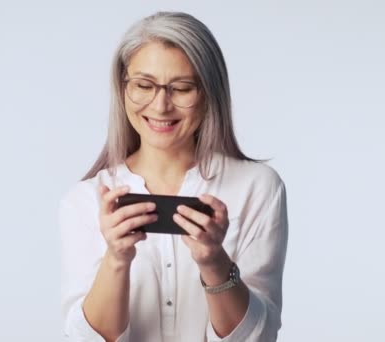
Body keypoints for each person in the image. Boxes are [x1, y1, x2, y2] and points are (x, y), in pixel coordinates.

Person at [59, 11, 288, 342]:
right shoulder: (83, 201)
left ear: (209, 93)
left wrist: (213, 261)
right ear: (122, 88)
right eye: (143, 85)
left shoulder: (257, 187)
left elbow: (258, 336)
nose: (161, 105)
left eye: (181, 88)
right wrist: (117, 259)